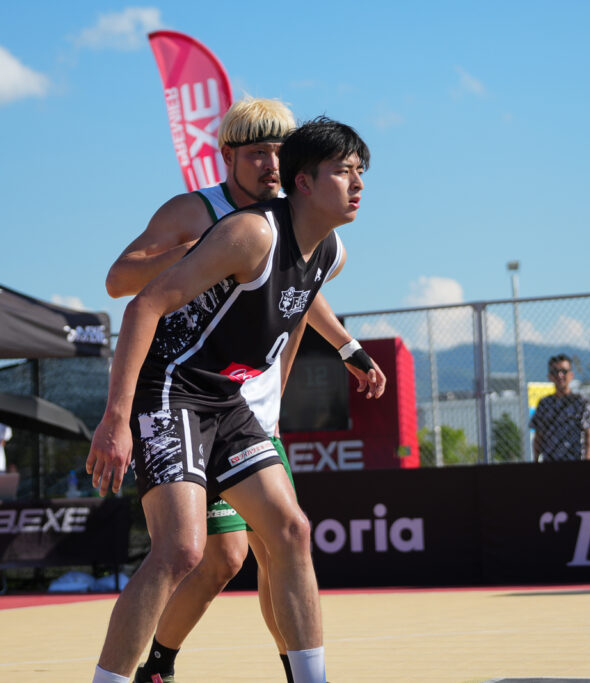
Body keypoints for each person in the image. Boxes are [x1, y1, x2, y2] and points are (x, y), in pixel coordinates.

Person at [108, 97, 384, 683]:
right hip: (177, 388)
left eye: (282, 152)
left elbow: (298, 289)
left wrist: (347, 348)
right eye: (259, 153)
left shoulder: (311, 236)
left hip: (239, 399)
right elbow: (126, 288)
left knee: (286, 536)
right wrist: (203, 253)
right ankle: (149, 666)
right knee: (196, 554)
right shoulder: (210, 216)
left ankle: (302, 676)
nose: (272, 164)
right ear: (227, 156)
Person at [531, 354, 590, 461]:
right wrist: (536, 459)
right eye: (555, 372)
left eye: (564, 371)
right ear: (549, 376)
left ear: (571, 375)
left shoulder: (581, 403)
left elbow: (589, 434)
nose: (559, 375)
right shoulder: (544, 404)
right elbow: (538, 436)